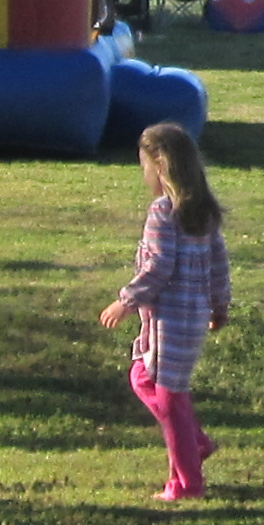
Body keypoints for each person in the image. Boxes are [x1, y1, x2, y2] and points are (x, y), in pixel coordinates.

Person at [100, 121, 232, 501]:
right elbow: (219, 264)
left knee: (170, 398)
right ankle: (195, 441)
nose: (143, 174)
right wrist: (219, 303)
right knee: (142, 376)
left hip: (168, 321)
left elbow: (158, 267)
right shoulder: (203, 211)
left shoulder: (163, 211)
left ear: (160, 165)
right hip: (192, 318)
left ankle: (187, 484)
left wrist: (126, 300)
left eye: (144, 165)